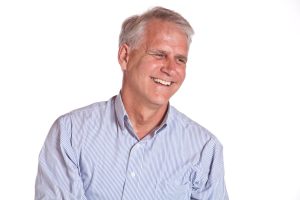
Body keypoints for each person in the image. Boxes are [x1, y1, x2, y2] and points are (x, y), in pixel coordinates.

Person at [35, 6, 229, 200]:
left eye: (180, 59)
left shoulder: (204, 149)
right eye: (159, 54)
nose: (171, 68)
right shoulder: (71, 133)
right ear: (125, 56)